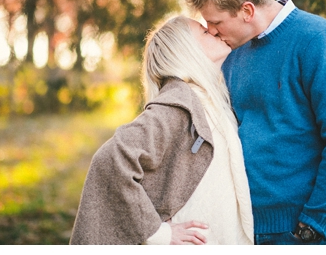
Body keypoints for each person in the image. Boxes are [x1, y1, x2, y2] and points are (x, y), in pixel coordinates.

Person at [185, 0, 326, 245]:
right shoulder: (233, 53)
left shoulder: (318, 40)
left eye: (216, 21)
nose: (211, 31)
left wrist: (316, 220)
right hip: (243, 228)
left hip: (301, 231)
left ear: (246, 10)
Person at [70, 16, 254, 245]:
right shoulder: (179, 104)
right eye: (205, 32)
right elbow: (111, 160)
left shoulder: (208, 100)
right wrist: (158, 234)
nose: (215, 31)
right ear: (187, 51)